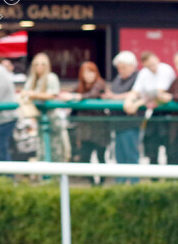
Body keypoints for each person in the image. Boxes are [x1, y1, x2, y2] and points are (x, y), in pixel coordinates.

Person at [123, 51, 175, 165]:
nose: (152, 68)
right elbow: (135, 91)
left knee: (170, 148)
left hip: (168, 115)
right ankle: (154, 179)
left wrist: (136, 104)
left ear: (157, 59)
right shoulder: (144, 73)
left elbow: (158, 93)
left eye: (153, 64)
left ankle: (170, 178)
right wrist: (128, 102)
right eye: (148, 66)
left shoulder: (166, 69)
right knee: (151, 146)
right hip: (153, 114)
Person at [22, 53, 70, 162]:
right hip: (39, 118)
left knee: (57, 149)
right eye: (37, 64)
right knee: (41, 148)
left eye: (43, 64)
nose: (40, 67)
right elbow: (25, 93)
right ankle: (45, 176)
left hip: (53, 118)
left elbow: (53, 95)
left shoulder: (51, 77)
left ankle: (58, 177)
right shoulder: (32, 79)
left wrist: (33, 94)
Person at [103, 51, 140, 182]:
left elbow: (136, 93)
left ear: (132, 66)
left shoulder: (138, 77)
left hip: (130, 123)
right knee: (120, 156)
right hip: (117, 123)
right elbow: (113, 93)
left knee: (131, 155)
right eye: (118, 67)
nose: (120, 70)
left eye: (123, 67)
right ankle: (121, 184)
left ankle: (135, 185)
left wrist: (113, 96)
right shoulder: (118, 79)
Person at [61, 61, 108, 164]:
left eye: (91, 72)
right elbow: (71, 93)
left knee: (101, 155)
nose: (89, 75)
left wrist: (77, 97)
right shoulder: (81, 85)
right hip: (84, 126)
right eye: (86, 73)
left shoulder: (100, 83)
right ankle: (89, 179)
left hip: (99, 126)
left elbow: (92, 94)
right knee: (85, 155)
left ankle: (103, 179)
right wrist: (66, 96)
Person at [158, 52, 178, 165]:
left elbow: (171, 95)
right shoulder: (175, 80)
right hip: (174, 125)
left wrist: (171, 97)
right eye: (176, 63)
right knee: (173, 151)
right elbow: (168, 92)